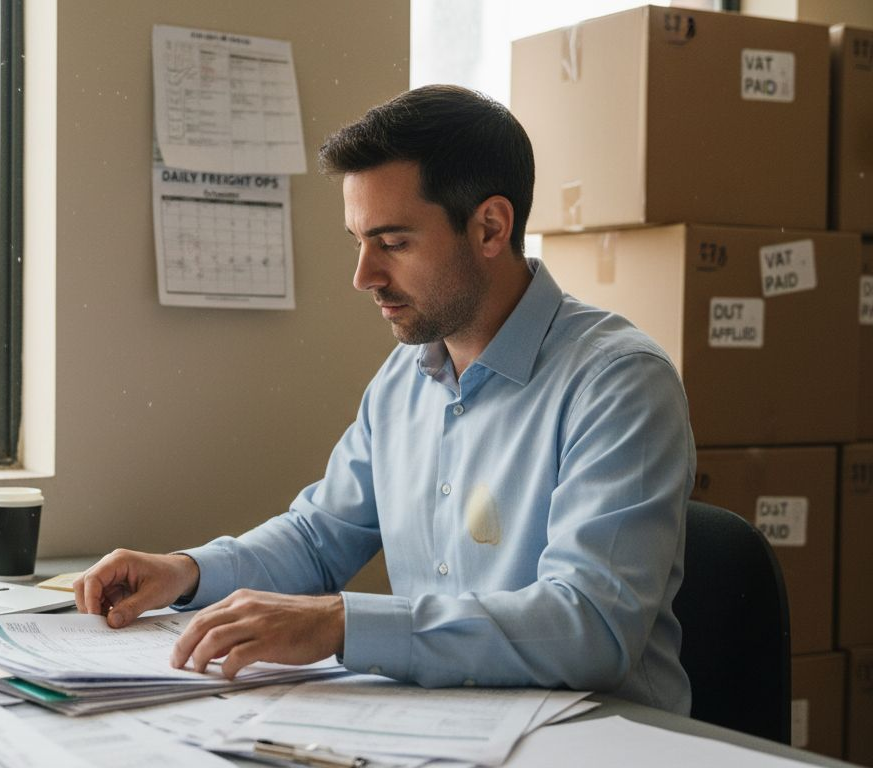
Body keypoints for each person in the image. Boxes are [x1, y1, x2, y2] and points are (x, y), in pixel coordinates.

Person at [74, 84, 695, 714]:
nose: (363, 276)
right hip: (444, 727)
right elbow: (320, 538)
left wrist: (341, 624)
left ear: (490, 227)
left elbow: (590, 626)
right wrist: (186, 571)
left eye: (394, 243)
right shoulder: (405, 378)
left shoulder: (618, 381)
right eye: (359, 241)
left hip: (596, 742)